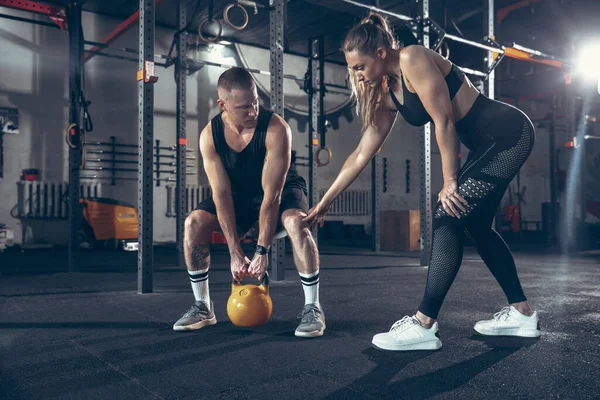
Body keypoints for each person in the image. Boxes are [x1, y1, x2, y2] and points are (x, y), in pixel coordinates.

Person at [303, 13, 540, 351]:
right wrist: (325, 201)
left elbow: (444, 121)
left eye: (360, 66)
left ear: (382, 53)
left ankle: (424, 324)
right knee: (475, 225)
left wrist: (449, 181)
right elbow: (360, 154)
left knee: (447, 212)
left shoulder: (413, 57)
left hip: (508, 133)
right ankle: (523, 314)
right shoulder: (387, 93)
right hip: (489, 144)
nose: (356, 75)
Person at [173, 67, 325, 338]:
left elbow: (272, 196)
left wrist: (261, 250)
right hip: (238, 195)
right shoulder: (210, 136)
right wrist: (234, 251)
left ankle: (313, 307)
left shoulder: (276, 128)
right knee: (193, 223)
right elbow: (221, 195)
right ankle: (203, 306)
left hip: (282, 190)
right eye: (244, 107)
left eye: (255, 102)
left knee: (296, 222)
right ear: (223, 104)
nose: (253, 111)